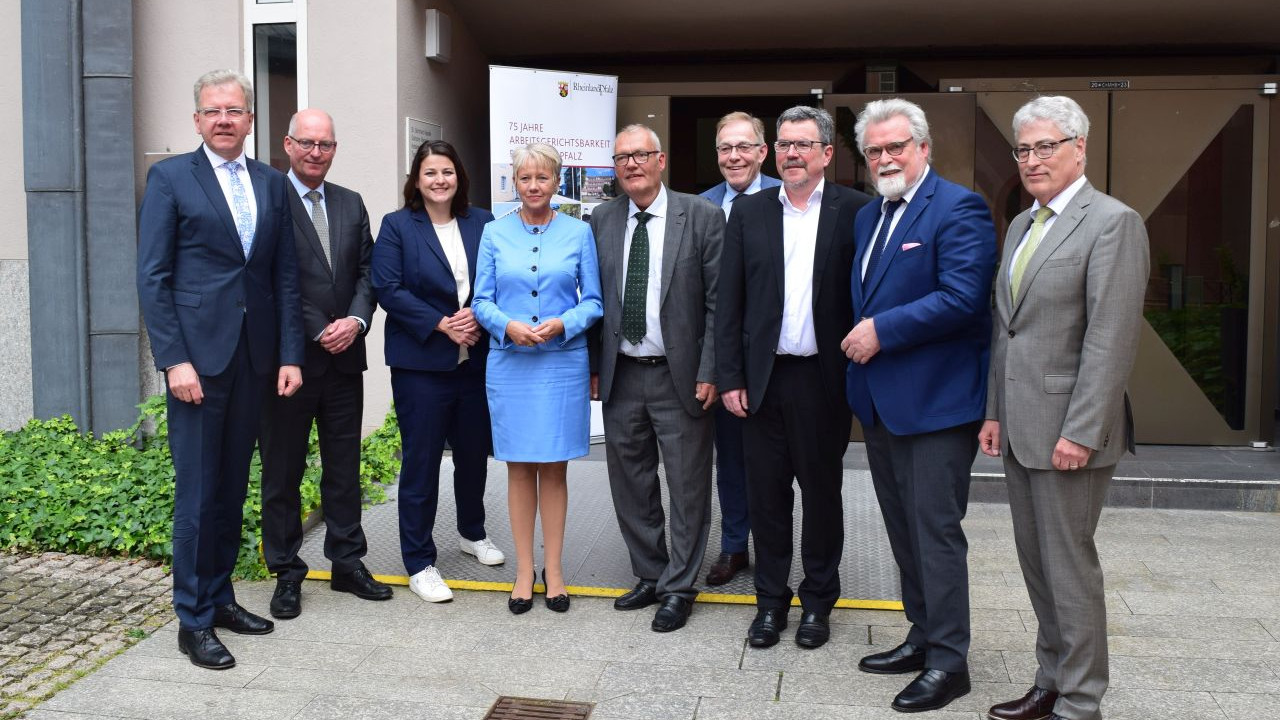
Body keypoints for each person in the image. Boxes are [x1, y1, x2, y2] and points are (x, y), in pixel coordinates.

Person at [980, 96, 1149, 720]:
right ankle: (1049, 681)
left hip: (1070, 432)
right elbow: (1009, 328)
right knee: (1039, 566)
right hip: (1021, 425)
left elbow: (1110, 339)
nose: (1032, 160)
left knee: (1070, 570)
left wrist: (1081, 431)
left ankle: (1080, 702)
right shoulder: (1025, 224)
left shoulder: (1113, 222)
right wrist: (994, 409)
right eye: (1023, 149)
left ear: (1080, 146)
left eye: (1045, 146)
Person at [137, 69, 303, 670]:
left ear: (250, 118)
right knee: (199, 493)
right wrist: (174, 359)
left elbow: (283, 275)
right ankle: (193, 618)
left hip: (256, 360)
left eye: (235, 110)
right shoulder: (171, 178)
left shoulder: (270, 182)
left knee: (233, 488)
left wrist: (289, 354)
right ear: (198, 119)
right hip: (197, 366)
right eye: (213, 111)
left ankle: (222, 597)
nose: (225, 119)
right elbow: (153, 278)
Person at [842, 98, 997, 711]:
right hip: (882, 403)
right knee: (903, 529)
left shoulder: (958, 207)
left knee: (935, 532)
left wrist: (882, 329)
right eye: (875, 150)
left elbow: (964, 298)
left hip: (937, 404)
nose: (885, 158)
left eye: (895, 147)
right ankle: (922, 633)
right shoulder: (869, 217)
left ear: (923, 148)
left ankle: (950, 661)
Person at [717, 106, 871, 650]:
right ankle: (770, 603)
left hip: (823, 381)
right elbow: (729, 302)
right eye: (783, 144)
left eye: (803, 144)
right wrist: (730, 375)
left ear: (827, 153)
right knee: (766, 498)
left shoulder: (858, 211)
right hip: (761, 381)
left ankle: (818, 602)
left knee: (822, 495)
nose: (792, 153)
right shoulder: (750, 213)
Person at [589, 125, 722, 633]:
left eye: (640, 155)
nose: (631, 164)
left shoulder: (702, 216)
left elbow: (717, 304)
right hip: (623, 373)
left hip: (681, 376)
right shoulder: (601, 219)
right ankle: (648, 573)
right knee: (631, 482)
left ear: (661, 160)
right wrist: (595, 368)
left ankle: (680, 586)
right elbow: (595, 303)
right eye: (621, 157)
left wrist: (711, 369)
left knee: (687, 486)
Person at [258, 109, 391, 620]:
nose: (317, 152)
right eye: (307, 143)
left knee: (344, 467)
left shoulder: (350, 202)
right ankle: (287, 569)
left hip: (344, 361)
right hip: (290, 361)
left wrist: (355, 321)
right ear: (288, 145)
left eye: (326, 144)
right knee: (284, 469)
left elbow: (367, 271)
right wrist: (319, 328)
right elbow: (272, 279)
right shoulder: (270, 198)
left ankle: (346, 562)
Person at [371, 140, 506, 605]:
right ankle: (419, 561)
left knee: (473, 455)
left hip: (475, 363)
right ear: (416, 179)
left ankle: (472, 533)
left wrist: (476, 317)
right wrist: (441, 323)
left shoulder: (483, 222)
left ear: (459, 176)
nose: (439, 180)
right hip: (421, 366)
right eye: (430, 173)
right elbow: (387, 287)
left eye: (447, 171)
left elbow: (497, 278)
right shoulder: (397, 226)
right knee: (423, 462)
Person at [473, 143, 603, 614]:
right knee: (519, 466)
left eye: (542, 178)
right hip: (510, 362)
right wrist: (505, 325)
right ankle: (525, 570)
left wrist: (563, 323)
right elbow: (480, 300)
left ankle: (557, 569)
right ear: (514, 180)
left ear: (557, 180)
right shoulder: (493, 232)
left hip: (561, 361)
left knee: (554, 467)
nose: (533, 186)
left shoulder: (578, 232)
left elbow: (593, 300)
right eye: (525, 178)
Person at [697, 111, 781, 587]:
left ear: (762, 152)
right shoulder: (699, 206)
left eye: (744, 147)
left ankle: (775, 548)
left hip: (777, 358)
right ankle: (734, 547)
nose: (734, 156)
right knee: (728, 458)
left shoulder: (785, 198)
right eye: (726, 148)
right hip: (723, 357)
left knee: (776, 461)